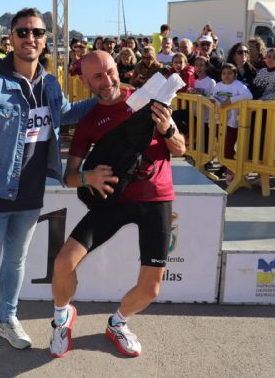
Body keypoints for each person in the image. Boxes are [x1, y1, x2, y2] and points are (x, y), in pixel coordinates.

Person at [0, 7, 97, 360]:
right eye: (22, 32)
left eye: (37, 32)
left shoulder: (49, 83)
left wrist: (104, 99)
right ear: (11, 38)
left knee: (15, 263)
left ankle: (6, 319)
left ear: (45, 40)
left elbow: (64, 113)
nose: (29, 38)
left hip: (32, 192)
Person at [49, 50, 185, 359]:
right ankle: (61, 318)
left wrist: (168, 129)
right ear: (85, 82)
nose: (107, 80)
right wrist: (88, 178)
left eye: (110, 71)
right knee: (62, 263)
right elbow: (69, 176)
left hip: (156, 198)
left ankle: (118, 323)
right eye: (97, 76)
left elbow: (180, 149)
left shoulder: (148, 100)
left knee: (151, 289)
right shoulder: (88, 121)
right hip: (113, 200)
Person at [211, 63, 252, 182]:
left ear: (235, 75)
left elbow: (249, 95)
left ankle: (232, 170)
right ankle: (236, 169)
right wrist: (212, 100)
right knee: (222, 147)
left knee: (228, 147)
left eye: (230, 73)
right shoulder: (218, 85)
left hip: (232, 122)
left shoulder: (237, 84)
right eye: (224, 73)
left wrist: (231, 100)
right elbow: (214, 97)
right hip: (219, 121)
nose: (227, 76)